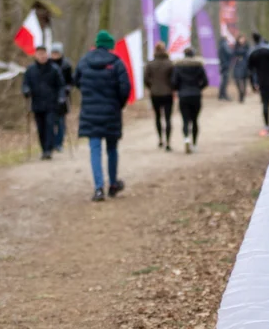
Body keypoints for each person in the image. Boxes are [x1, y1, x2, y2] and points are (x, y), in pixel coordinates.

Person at [75, 30, 131, 201]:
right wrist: (118, 104)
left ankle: (98, 188)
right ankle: (113, 184)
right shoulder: (117, 63)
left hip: (90, 112)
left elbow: (76, 80)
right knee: (112, 149)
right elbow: (125, 88)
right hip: (111, 112)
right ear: (110, 46)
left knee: (95, 149)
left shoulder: (84, 61)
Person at [22, 45, 65, 160]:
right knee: (41, 128)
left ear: (47, 54)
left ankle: (48, 150)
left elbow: (61, 86)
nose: (42, 56)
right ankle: (44, 149)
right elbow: (25, 84)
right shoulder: (30, 70)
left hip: (51, 103)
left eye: (43, 53)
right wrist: (26, 91)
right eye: (39, 54)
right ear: (36, 55)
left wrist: (61, 98)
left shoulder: (54, 69)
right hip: (37, 104)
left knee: (50, 126)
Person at [172, 47, 208, 153]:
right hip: (196, 95)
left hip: (183, 96)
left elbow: (174, 82)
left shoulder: (178, 67)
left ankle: (186, 138)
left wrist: (180, 89)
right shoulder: (199, 66)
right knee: (195, 120)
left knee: (185, 120)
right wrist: (198, 88)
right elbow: (205, 81)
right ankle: (195, 143)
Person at [144, 41, 175, 151]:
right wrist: (172, 87)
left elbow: (146, 79)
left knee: (157, 117)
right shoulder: (170, 63)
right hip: (168, 93)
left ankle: (160, 139)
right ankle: (168, 142)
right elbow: (174, 79)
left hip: (155, 94)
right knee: (168, 118)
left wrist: (151, 87)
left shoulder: (150, 64)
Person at [49, 42, 74, 152]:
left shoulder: (66, 65)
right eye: (53, 53)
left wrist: (67, 88)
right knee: (50, 121)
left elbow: (70, 81)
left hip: (63, 96)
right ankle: (52, 142)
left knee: (60, 121)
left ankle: (59, 143)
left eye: (57, 53)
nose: (55, 55)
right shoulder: (48, 64)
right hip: (50, 96)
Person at [231, 35, 251, 103]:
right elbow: (233, 54)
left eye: (243, 39)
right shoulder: (236, 46)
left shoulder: (247, 46)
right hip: (237, 64)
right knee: (237, 79)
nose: (241, 40)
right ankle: (241, 92)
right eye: (240, 39)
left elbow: (248, 54)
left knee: (244, 80)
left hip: (245, 64)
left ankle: (243, 93)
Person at [217, 37, 232, 101]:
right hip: (225, 65)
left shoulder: (220, 45)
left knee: (223, 80)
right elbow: (229, 53)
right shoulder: (224, 45)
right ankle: (223, 94)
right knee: (225, 81)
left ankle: (221, 94)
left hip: (222, 65)